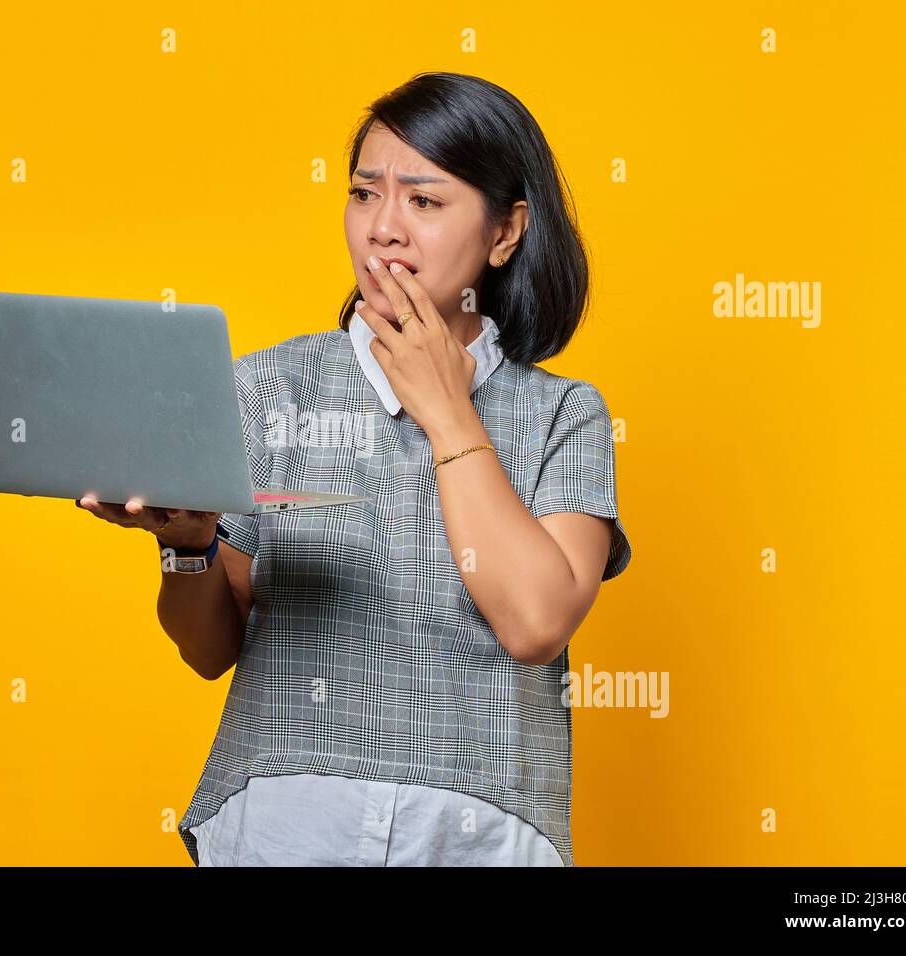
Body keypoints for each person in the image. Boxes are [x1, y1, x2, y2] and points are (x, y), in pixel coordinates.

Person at [76, 72, 631, 866]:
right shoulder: (267, 388)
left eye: (424, 201)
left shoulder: (563, 415)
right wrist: (188, 545)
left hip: (481, 836)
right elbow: (207, 650)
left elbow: (536, 623)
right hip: (285, 824)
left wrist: (447, 412)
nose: (384, 229)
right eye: (365, 194)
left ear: (505, 233)